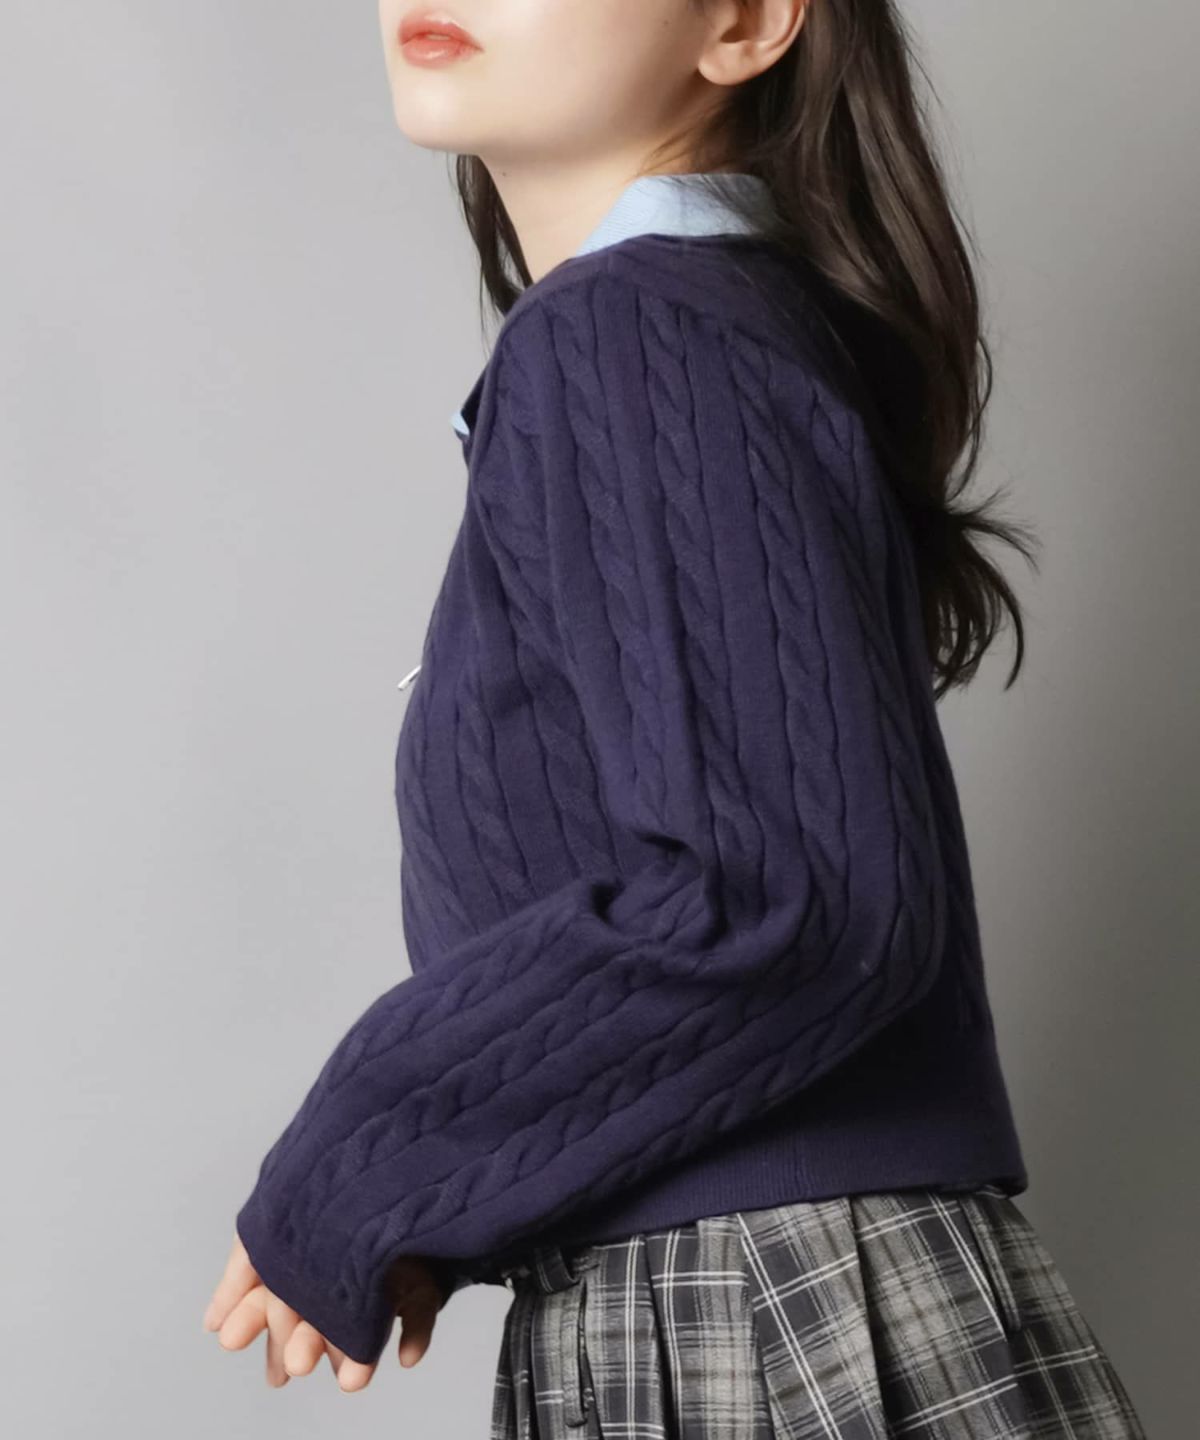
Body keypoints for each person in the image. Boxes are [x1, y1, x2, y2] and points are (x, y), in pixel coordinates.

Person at [203, 2, 1149, 1434]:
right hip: (728, 1287)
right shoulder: (675, 330)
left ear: (747, 22)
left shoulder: (636, 329)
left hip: (766, 1300)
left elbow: (793, 897)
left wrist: (376, 1146)